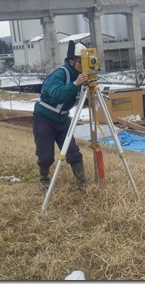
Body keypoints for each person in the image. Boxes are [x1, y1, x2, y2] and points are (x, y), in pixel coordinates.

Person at [33, 40, 89, 190]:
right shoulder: (61, 73)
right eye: (81, 62)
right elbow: (57, 95)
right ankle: (44, 178)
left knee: (73, 152)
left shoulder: (81, 77)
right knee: (46, 156)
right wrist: (75, 84)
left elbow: (80, 101)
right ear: (72, 61)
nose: (84, 66)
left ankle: (82, 182)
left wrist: (90, 93)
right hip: (45, 119)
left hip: (63, 120)